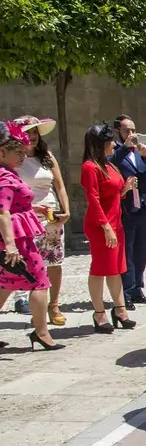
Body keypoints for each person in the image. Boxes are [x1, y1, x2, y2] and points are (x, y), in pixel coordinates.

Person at [0, 121, 63, 351]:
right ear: (1, 152)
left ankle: (41, 331)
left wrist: (33, 210)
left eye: (22, 152)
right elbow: (2, 212)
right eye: (17, 152)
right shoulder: (5, 178)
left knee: (5, 283)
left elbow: (14, 206)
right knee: (40, 281)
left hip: (18, 235)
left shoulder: (9, 174)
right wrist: (10, 246)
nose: (22, 156)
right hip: (17, 239)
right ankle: (41, 332)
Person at [10, 116, 70, 325]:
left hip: (51, 215)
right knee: (26, 262)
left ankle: (53, 305)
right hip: (26, 216)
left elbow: (60, 185)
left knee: (54, 261)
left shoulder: (47, 156)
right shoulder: (14, 160)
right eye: (28, 132)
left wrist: (66, 209)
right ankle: (24, 300)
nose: (32, 136)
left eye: (35, 132)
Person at [81, 123, 138, 333]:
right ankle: (99, 313)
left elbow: (111, 195)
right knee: (100, 268)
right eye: (110, 141)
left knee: (116, 268)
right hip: (101, 225)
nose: (114, 144)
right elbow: (93, 199)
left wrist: (125, 189)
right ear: (100, 144)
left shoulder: (109, 166)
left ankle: (120, 309)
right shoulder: (90, 167)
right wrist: (105, 226)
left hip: (116, 223)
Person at [111, 114, 146, 308]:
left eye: (134, 130)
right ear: (118, 132)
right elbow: (108, 164)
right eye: (127, 130)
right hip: (126, 209)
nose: (132, 134)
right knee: (127, 250)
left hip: (144, 207)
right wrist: (124, 147)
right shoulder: (115, 150)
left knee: (142, 250)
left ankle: (137, 289)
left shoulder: (140, 151)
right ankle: (125, 291)